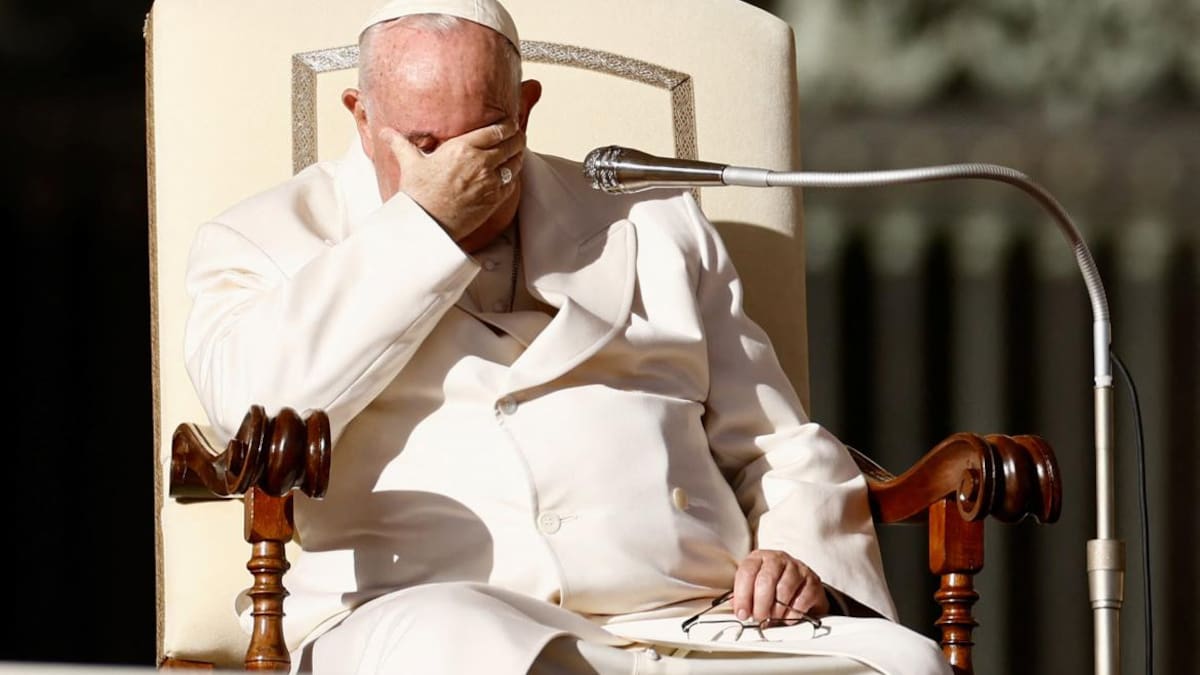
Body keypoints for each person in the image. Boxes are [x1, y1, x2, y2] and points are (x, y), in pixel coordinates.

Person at [183, 1, 950, 673]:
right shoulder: (265, 240)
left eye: (484, 136)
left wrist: (796, 553)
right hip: (430, 612)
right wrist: (422, 232)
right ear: (360, 114)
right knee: (458, 649)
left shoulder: (653, 222)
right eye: (423, 143)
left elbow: (777, 444)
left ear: (525, 108)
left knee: (900, 661)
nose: (457, 168)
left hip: (693, 623)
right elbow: (248, 412)